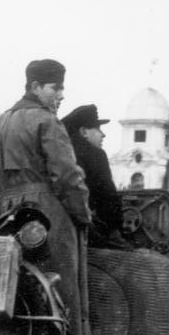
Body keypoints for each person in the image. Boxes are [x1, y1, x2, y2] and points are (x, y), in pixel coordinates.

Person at [0, 59, 93, 335]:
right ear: (35, 87)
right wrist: (82, 214)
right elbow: (67, 176)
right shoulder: (47, 121)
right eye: (55, 88)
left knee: (14, 282)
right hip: (47, 213)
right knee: (58, 283)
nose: (61, 95)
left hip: (6, 214)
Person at [62, 104, 130, 249]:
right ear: (84, 131)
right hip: (91, 234)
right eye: (98, 129)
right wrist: (115, 231)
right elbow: (108, 197)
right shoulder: (96, 154)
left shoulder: (61, 153)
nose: (103, 134)